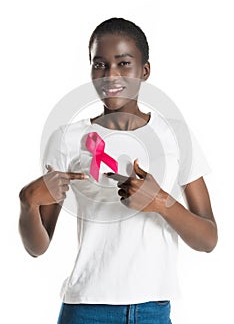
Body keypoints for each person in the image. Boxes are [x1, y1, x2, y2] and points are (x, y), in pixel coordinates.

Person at [19, 18, 218, 324]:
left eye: (124, 63)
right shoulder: (66, 139)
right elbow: (37, 247)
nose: (110, 75)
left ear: (145, 71)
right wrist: (28, 203)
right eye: (99, 65)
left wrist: (160, 202)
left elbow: (208, 239)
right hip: (84, 309)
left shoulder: (176, 136)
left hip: (152, 310)